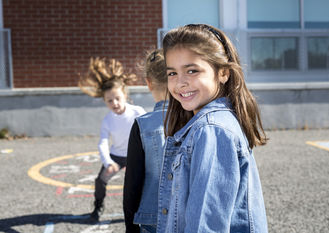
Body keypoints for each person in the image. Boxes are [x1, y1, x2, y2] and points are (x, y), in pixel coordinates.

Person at [157, 24, 269, 232]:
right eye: (172, 73)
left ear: (223, 73)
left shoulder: (212, 130)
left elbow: (206, 225)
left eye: (192, 70)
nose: (180, 83)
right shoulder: (210, 125)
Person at [78, 57, 146, 222]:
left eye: (117, 98)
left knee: (143, 184)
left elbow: (148, 136)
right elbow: (102, 143)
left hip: (135, 156)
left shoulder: (138, 112)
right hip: (116, 155)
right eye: (109, 100)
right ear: (104, 101)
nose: (114, 103)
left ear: (125, 95)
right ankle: (98, 206)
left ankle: (144, 210)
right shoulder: (107, 120)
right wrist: (108, 162)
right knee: (100, 180)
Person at [123, 49, 168, 233]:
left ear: (149, 83)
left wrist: (130, 228)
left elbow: (132, 184)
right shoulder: (196, 119)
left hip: (153, 220)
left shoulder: (143, 125)